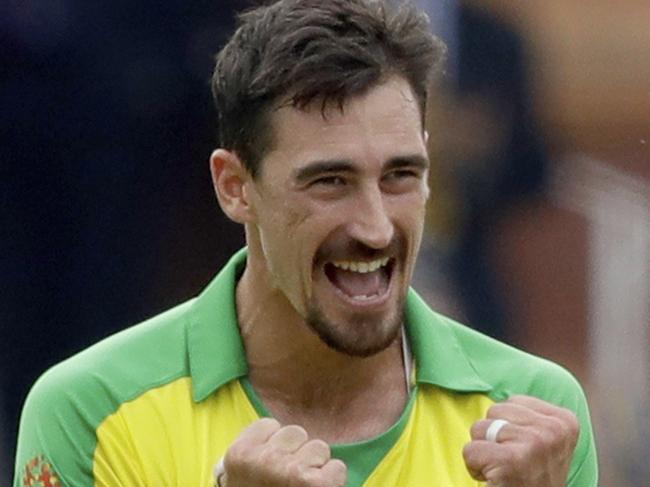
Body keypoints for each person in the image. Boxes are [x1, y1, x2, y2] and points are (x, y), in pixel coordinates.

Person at [13, 1, 598, 486]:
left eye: (400, 175)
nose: (374, 227)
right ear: (235, 187)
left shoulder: (535, 413)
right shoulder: (89, 411)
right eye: (330, 182)